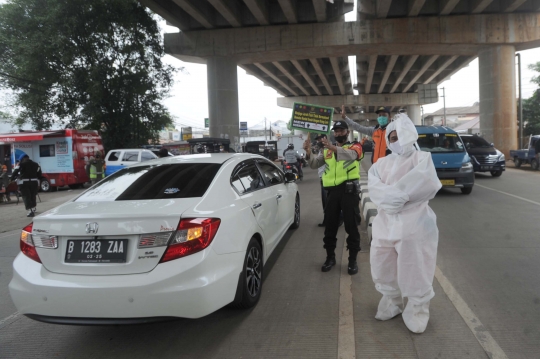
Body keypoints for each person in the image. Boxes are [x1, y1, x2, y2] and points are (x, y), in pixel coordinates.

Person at [368, 114, 442, 333]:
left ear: (409, 135)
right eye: (391, 137)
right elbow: (374, 188)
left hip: (415, 224)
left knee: (416, 268)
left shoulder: (422, 158)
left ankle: (418, 310)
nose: (395, 140)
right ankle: (392, 302)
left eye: (399, 135)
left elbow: (425, 184)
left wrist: (393, 199)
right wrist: (392, 200)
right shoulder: (381, 163)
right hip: (385, 224)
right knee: (383, 265)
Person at [306, 121, 363, 275]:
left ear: (347, 132)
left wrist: (332, 147)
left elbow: (352, 156)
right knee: (330, 227)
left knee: (352, 228)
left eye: (341, 130)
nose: (338, 133)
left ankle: (352, 260)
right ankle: (330, 257)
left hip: (349, 193)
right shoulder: (326, 151)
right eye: (336, 131)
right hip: (332, 193)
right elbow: (314, 164)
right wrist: (308, 152)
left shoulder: (355, 146)